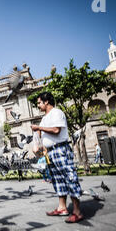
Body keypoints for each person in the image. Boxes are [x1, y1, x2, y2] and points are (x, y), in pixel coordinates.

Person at [31, 92, 83, 223]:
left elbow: (56, 130)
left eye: (39, 102)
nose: (38, 105)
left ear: (46, 102)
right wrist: (37, 143)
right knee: (57, 180)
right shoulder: (44, 118)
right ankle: (62, 208)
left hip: (60, 149)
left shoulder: (57, 113)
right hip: (50, 152)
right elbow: (41, 133)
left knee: (69, 177)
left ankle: (77, 211)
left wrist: (39, 127)